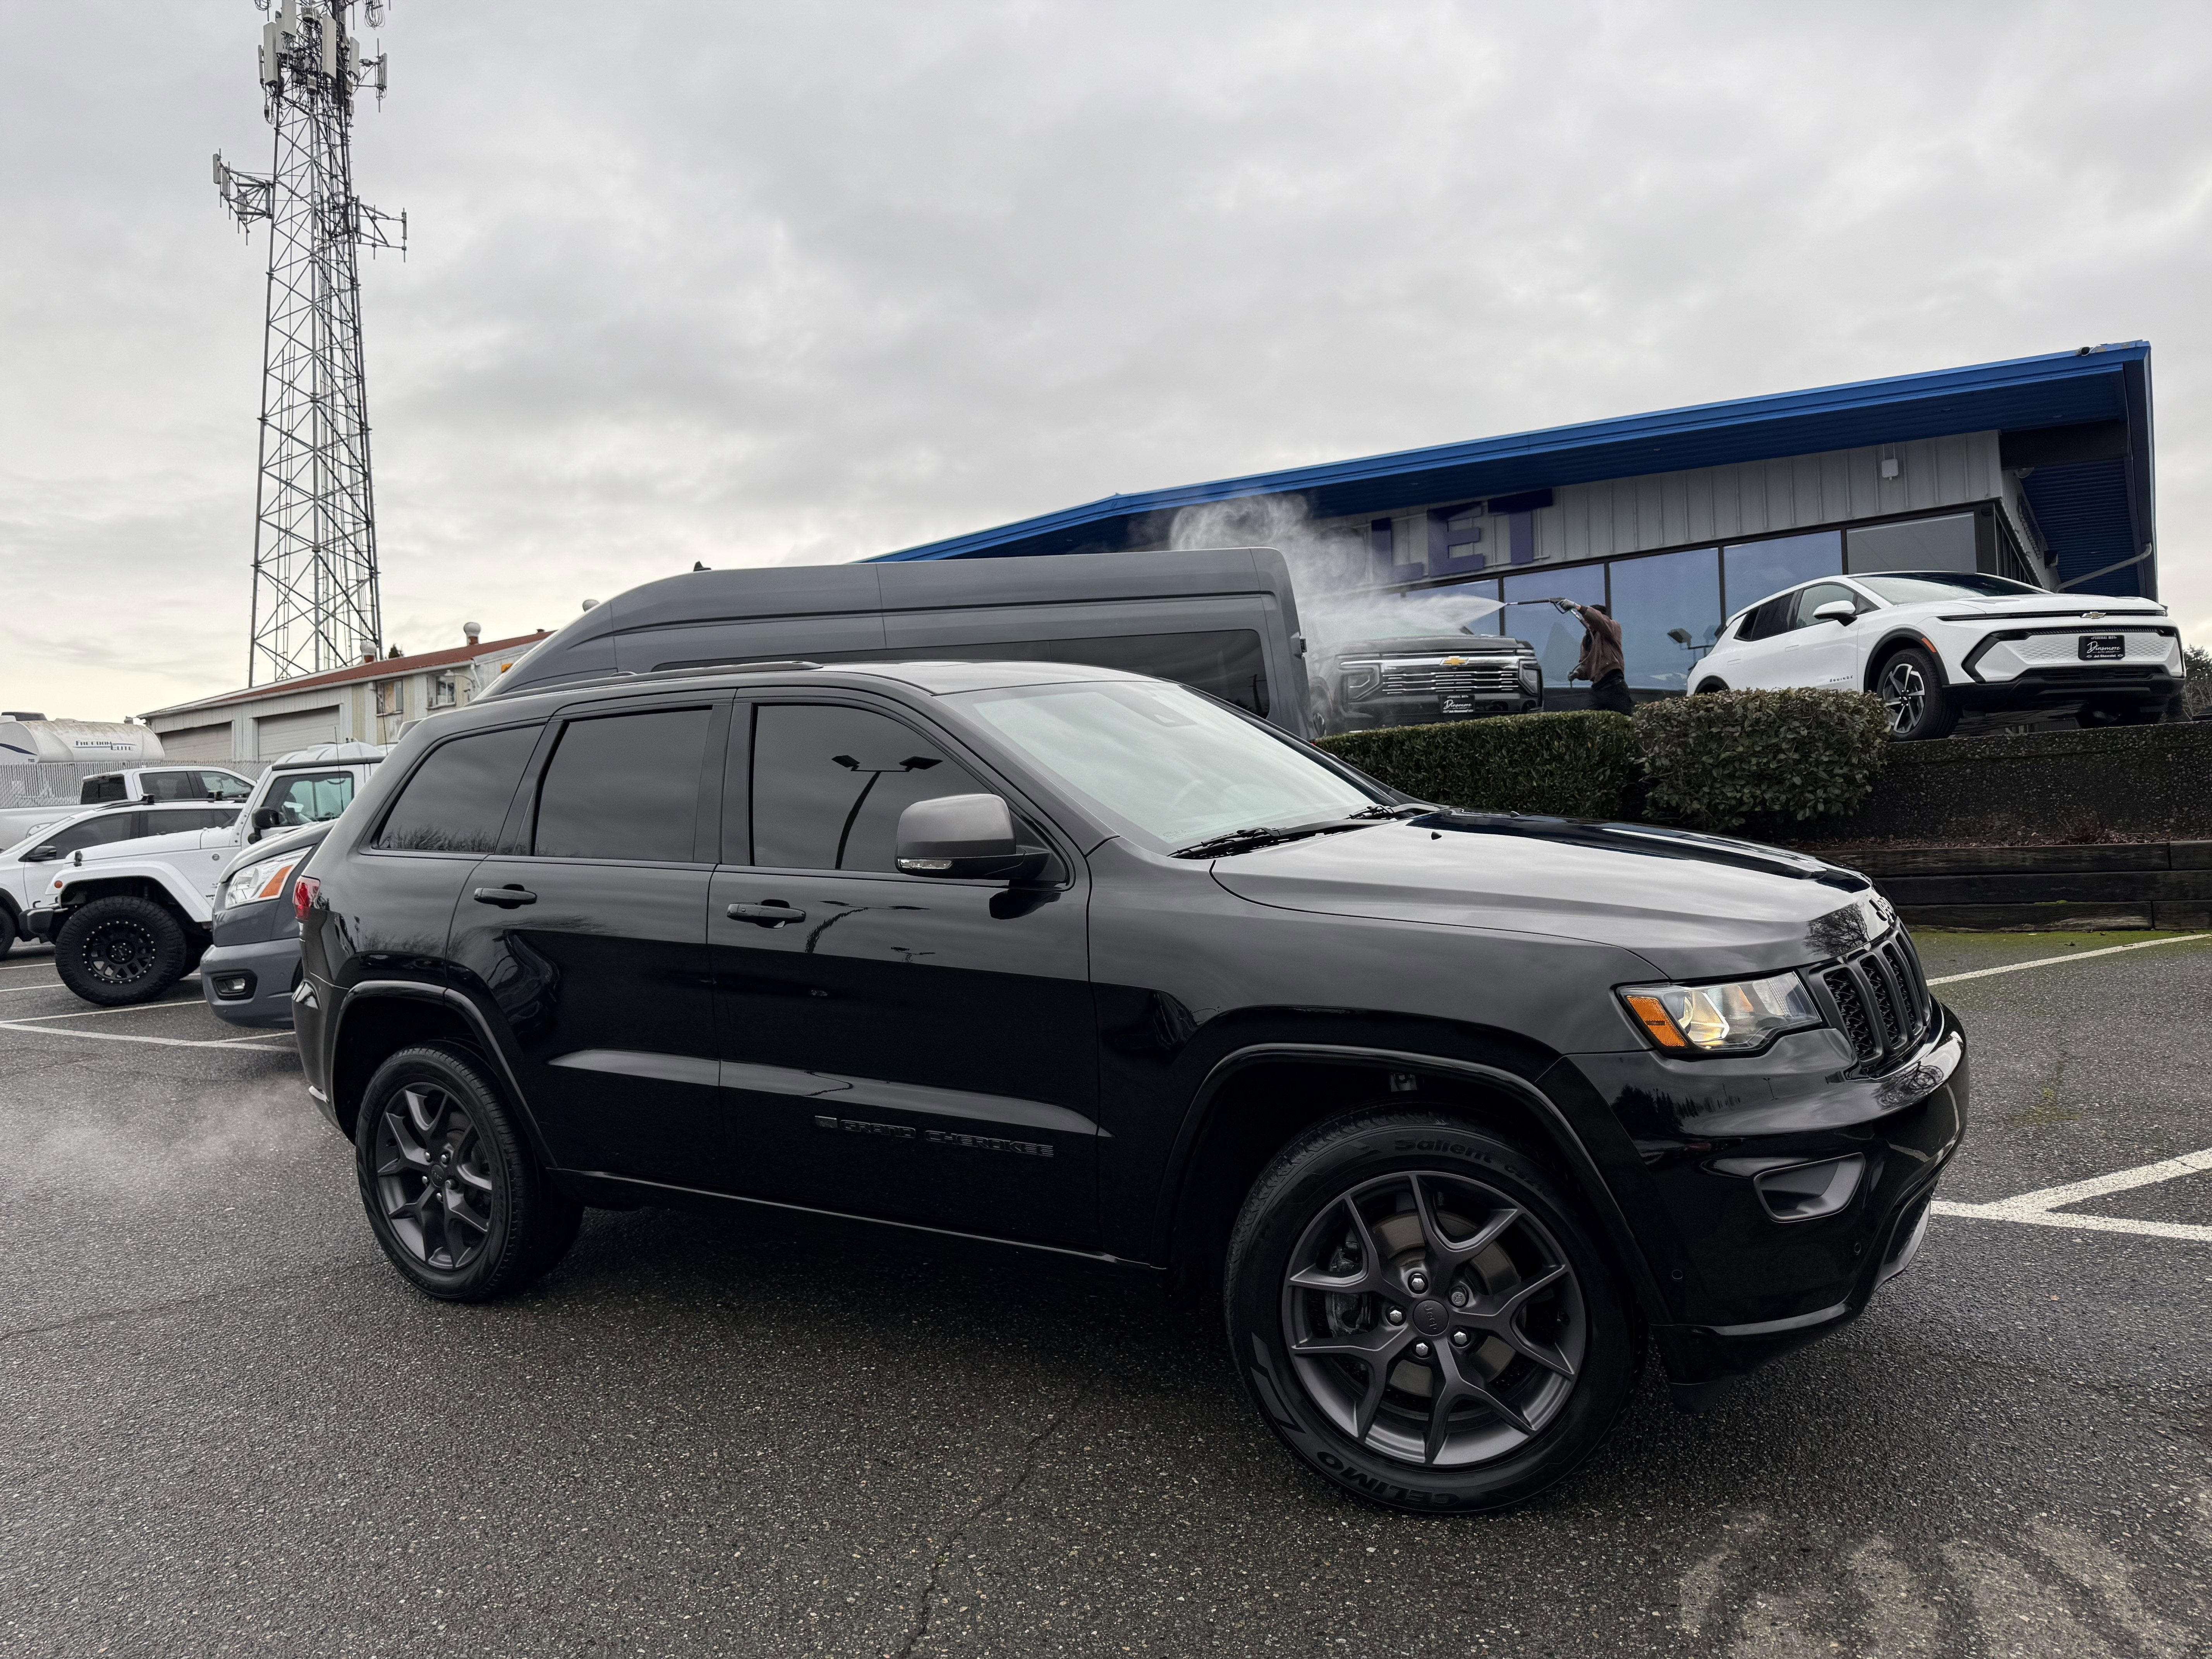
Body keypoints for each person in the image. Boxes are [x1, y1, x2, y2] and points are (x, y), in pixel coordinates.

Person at [1564, 601, 1634, 715]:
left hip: (1615, 686)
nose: (1586, 622)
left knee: (1626, 722)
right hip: (1598, 689)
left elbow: (1599, 621)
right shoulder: (1587, 640)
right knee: (1585, 718)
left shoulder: (1613, 628)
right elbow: (1586, 666)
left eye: (1589, 620)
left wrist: (1578, 607)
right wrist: (1576, 673)